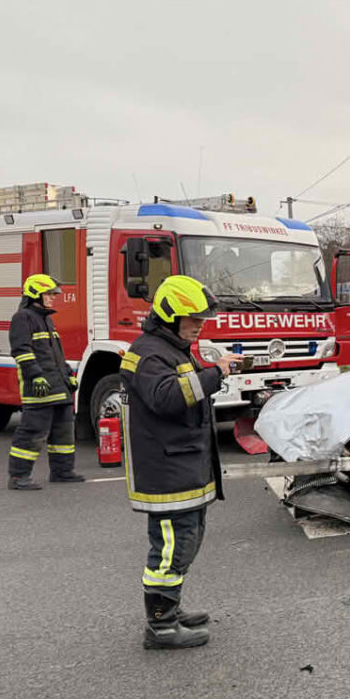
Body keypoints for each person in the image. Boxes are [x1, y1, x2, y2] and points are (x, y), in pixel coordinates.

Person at [122, 275, 243, 649]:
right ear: (171, 314)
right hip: (168, 472)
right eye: (193, 318)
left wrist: (211, 371)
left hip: (182, 467)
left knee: (185, 543)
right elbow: (169, 398)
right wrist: (215, 373)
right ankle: (160, 626)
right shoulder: (149, 353)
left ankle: (170, 611)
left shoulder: (170, 349)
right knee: (171, 550)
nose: (199, 324)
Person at [7, 274, 84, 490]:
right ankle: (18, 477)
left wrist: (68, 374)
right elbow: (21, 351)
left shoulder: (46, 319)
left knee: (64, 432)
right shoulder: (23, 318)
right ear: (35, 295)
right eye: (49, 294)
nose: (52, 298)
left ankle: (62, 472)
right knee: (32, 432)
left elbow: (56, 354)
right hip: (39, 388)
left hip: (59, 387)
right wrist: (36, 375)